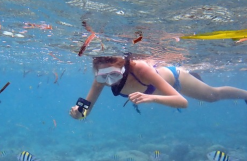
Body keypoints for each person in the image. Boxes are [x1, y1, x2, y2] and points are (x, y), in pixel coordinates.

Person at [69, 56, 247, 119]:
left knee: (213, 96)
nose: (110, 81)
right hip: (162, 92)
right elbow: (86, 112)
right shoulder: (101, 79)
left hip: (176, 80)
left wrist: (151, 98)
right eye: (103, 77)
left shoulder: (140, 69)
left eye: (114, 75)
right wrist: (78, 114)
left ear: (124, 68)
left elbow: (182, 102)